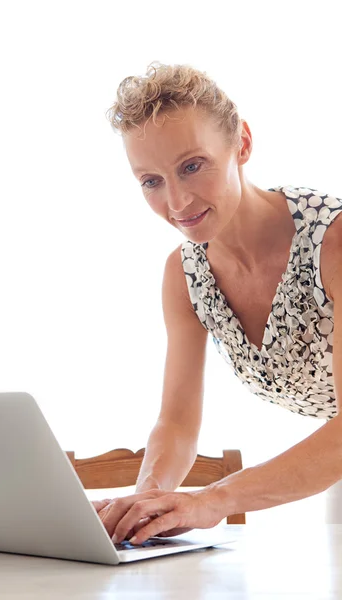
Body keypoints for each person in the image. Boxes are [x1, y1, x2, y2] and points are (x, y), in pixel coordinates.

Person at [92, 62, 342, 545]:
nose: (178, 200)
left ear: (242, 144)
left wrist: (211, 501)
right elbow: (177, 422)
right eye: (151, 181)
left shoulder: (334, 244)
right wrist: (147, 500)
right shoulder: (185, 275)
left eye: (192, 166)